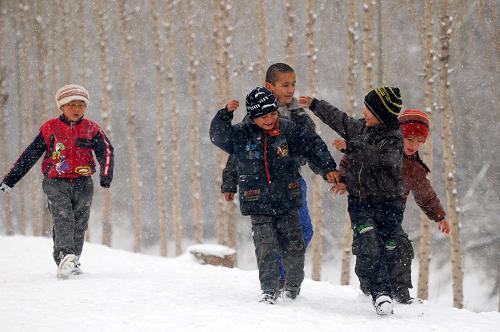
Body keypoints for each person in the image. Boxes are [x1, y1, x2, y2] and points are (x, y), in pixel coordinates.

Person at [210, 87, 339, 304]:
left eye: (272, 114)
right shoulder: (241, 134)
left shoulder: (289, 130)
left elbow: (313, 146)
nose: (270, 119)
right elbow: (220, 138)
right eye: (263, 116)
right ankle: (269, 290)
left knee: (294, 246)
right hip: (257, 201)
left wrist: (327, 167)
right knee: (265, 247)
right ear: (252, 117)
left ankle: (293, 285)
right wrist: (224, 114)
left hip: (287, 199)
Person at [299, 87, 404, 315]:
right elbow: (340, 119)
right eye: (365, 107)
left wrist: (351, 147)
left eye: (370, 110)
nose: (364, 113)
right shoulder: (361, 128)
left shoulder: (393, 139)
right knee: (369, 244)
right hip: (360, 203)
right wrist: (316, 105)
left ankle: (389, 287)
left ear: (383, 115)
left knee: (387, 249)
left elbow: (379, 157)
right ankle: (380, 294)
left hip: (389, 205)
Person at [333, 109, 451, 303]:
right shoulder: (378, 148)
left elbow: (425, 194)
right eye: (409, 138)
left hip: (390, 216)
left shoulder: (414, 167)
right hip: (366, 211)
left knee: (401, 247)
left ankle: (400, 292)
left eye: (419, 141)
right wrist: (343, 180)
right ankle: (369, 286)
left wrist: (439, 216)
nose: (414, 145)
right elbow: (352, 160)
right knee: (369, 248)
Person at [0, 84, 114, 279]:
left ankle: (72, 260)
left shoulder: (92, 129)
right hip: (56, 182)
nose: (77, 109)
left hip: (83, 183)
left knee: (80, 223)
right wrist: (10, 179)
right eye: (72, 105)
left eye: (81, 105)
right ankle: (64, 256)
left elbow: (107, 151)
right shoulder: (50, 128)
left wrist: (105, 174)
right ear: (62, 107)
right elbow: (30, 155)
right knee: (63, 218)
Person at [221, 63, 316, 290]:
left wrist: (327, 169)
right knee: (269, 237)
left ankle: (289, 275)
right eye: (285, 85)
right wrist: (229, 180)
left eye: (293, 84)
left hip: (291, 183)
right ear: (269, 86)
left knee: (304, 230)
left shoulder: (298, 115)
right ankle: (279, 279)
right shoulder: (254, 117)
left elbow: (311, 145)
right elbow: (238, 152)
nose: (291, 89)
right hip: (262, 185)